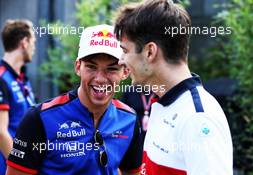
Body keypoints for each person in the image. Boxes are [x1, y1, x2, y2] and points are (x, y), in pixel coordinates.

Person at [114, 0, 233, 175]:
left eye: (125, 50)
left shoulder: (198, 119)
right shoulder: (163, 102)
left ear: (150, 52)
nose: (121, 60)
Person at [6, 24, 142, 175]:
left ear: (126, 71)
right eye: (91, 67)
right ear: (78, 67)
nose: (100, 79)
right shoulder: (39, 118)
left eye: (111, 69)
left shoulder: (129, 119)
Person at [0, 19, 36, 175]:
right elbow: (1, 132)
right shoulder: (2, 78)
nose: (34, 48)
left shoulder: (23, 80)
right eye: (33, 41)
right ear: (25, 42)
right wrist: (21, 169)